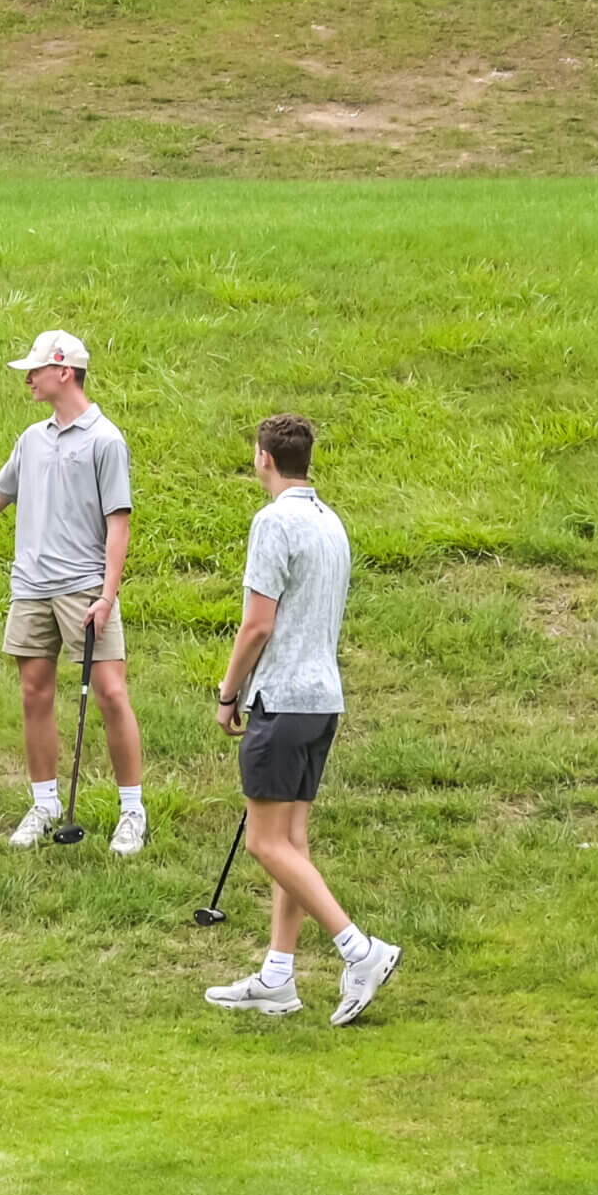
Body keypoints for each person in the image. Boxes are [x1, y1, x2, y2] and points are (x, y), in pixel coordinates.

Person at [203, 413, 401, 1024]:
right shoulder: (329, 521)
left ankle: (357, 949)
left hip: (282, 699)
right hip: (322, 702)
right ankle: (278, 978)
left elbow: (257, 623)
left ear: (264, 458)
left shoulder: (273, 522)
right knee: (292, 842)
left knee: (266, 842)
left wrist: (227, 691)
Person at [0, 329, 150, 856]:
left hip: (84, 589)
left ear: (63, 371)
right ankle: (45, 803)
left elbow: (119, 524)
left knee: (112, 694)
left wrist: (107, 595)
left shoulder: (105, 440)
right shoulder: (32, 439)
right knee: (34, 694)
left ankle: (132, 811)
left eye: (36, 369)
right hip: (31, 588)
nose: (28, 377)